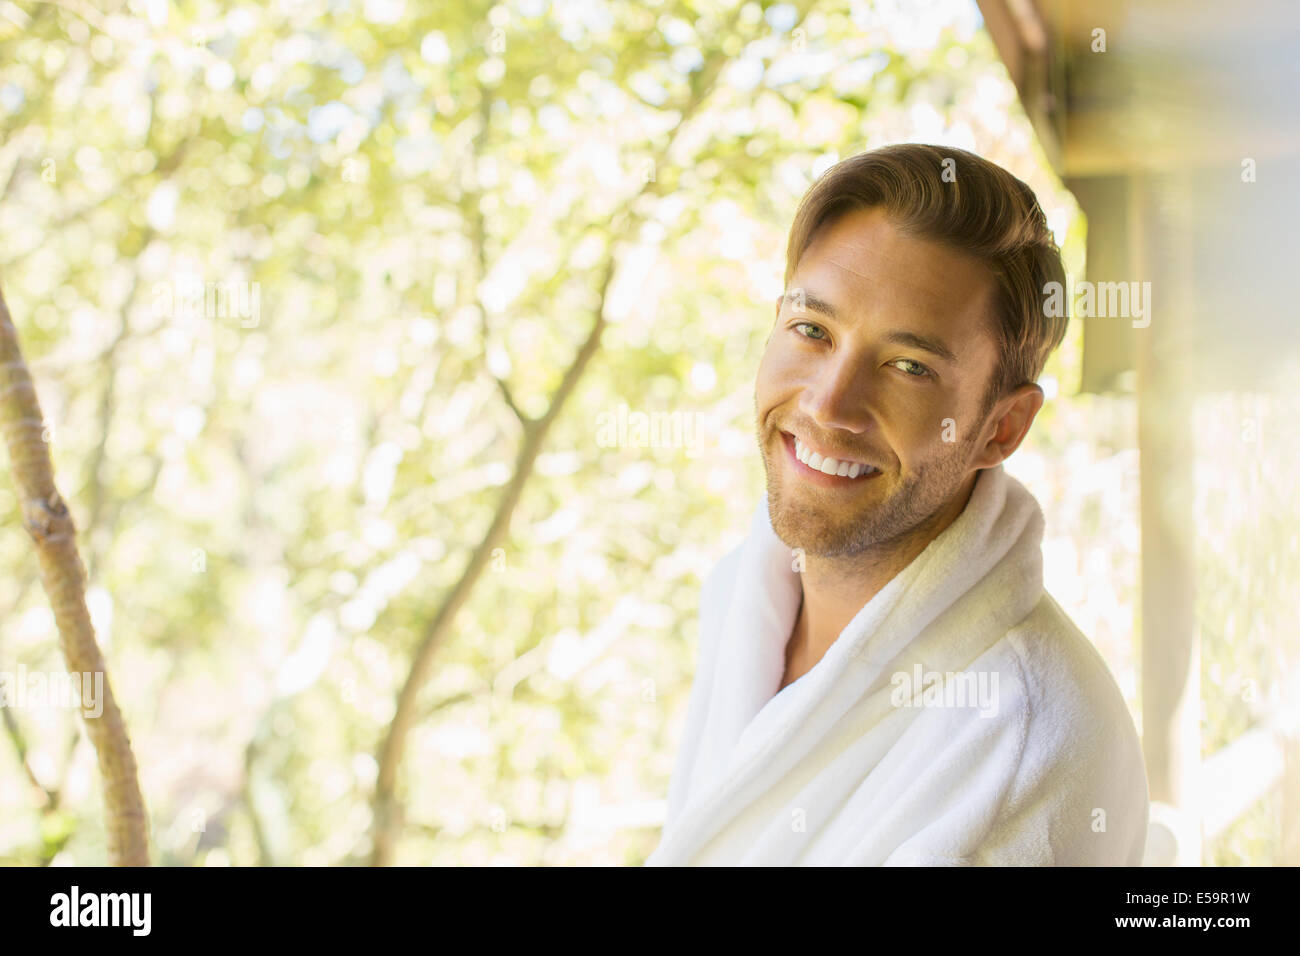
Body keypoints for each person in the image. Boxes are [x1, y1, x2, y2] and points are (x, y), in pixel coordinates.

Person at [646, 144, 1149, 866]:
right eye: (812, 330)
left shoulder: (1025, 745)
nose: (829, 405)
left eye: (908, 367)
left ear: (1000, 428)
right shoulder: (744, 595)